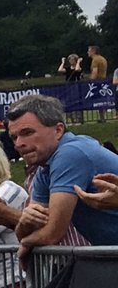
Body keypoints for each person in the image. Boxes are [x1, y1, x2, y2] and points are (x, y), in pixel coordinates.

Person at [7, 94, 118, 252]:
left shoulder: (70, 154)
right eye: (14, 137)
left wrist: (26, 243)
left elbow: (52, 234)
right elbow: (34, 231)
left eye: (27, 133)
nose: (19, 144)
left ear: (58, 130)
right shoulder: (45, 167)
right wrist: (25, 224)